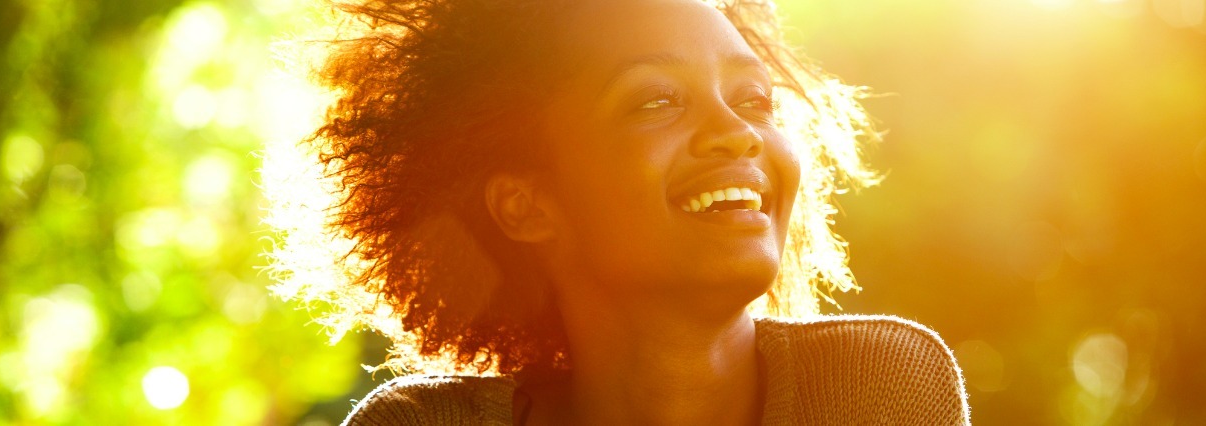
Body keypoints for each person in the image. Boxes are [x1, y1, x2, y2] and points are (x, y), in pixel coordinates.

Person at [270, 0, 970, 424]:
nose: (737, 131)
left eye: (753, 97)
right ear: (528, 205)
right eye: (655, 100)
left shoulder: (873, 390)